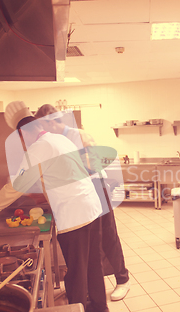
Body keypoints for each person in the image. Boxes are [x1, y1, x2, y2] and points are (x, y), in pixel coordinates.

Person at [0, 101, 108, 312]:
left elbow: (18, 185)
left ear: (23, 134)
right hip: (91, 207)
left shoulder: (38, 148)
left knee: (77, 272)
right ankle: (100, 309)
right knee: (92, 265)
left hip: (75, 216)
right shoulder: (58, 139)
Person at [35, 104, 131, 301]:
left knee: (108, 236)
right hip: (82, 193)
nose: (42, 131)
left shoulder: (79, 136)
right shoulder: (56, 140)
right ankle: (88, 288)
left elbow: (92, 165)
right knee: (91, 242)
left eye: (43, 125)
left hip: (96, 187)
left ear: (52, 121)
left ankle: (123, 280)